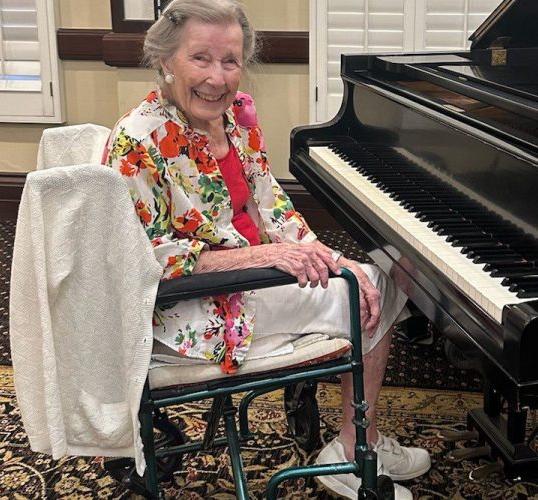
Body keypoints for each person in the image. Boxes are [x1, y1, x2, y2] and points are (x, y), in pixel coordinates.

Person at [102, 1, 431, 498]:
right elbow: (146, 260)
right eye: (200, 59)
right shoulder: (138, 140)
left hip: (253, 280)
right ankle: (352, 449)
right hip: (196, 305)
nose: (218, 78)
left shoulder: (236, 118)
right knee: (376, 291)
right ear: (165, 61)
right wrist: (262, 258)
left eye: (230, 61)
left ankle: (356, 438)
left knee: (372, 276)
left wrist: (330, 258)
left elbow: (272, 207)